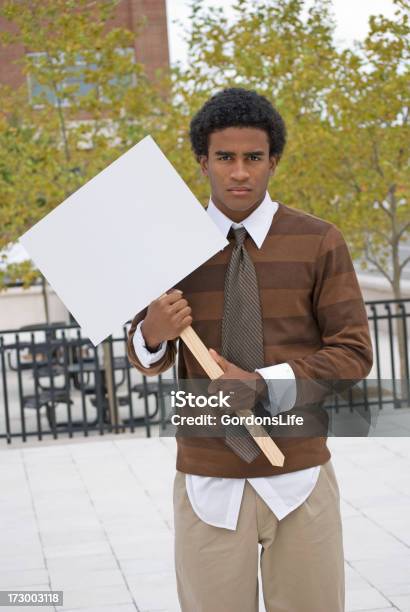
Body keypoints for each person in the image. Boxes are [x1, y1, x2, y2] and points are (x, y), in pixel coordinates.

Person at [127, 87, 373, 612]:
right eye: (225, 158)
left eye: (253, 158)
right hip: (206, 478)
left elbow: (353, 352)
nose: (239, 173)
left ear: (273, 161)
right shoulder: (168, 245)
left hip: (300, 475)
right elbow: (144, 352)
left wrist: (262, 385)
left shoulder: (319, 240)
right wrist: (151, 331)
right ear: (203, 162)